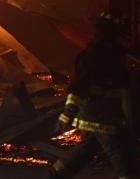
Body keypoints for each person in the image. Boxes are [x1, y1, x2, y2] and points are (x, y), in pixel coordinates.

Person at [50, 12, 137, 179]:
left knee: (85, 151)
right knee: (122, 156)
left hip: (102, 114)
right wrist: (66, 116)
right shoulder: (94, 55)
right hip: (101, 116)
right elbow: (77, 87)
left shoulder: (115, 55)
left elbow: (124, 89)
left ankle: (56, 174)